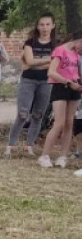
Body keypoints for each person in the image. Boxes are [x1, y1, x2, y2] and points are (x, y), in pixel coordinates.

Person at [6, 14, 58, 157]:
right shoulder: (30, 43)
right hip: (28, 81)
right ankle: (10, 145)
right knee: (23, 114)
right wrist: (48, 60)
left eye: (48, 24)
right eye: (42, 24)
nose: (45, 27)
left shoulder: (56, 44)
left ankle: (29, 146)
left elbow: (54, 65)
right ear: (37, 26)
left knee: (38, 115)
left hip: (46, 82)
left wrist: (37, 62)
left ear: (53, 26)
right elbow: (28, 61)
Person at [38, 36, 82, 168]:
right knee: (59, 123)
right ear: (78, 39)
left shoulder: (76, 55)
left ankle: (62, 156)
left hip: (74, 87)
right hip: (60, 87)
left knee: (69, 123)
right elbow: (51, 72)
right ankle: (45, 155)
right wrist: (68, 82)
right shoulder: (60, 50)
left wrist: (77, 85)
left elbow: (76, 72)